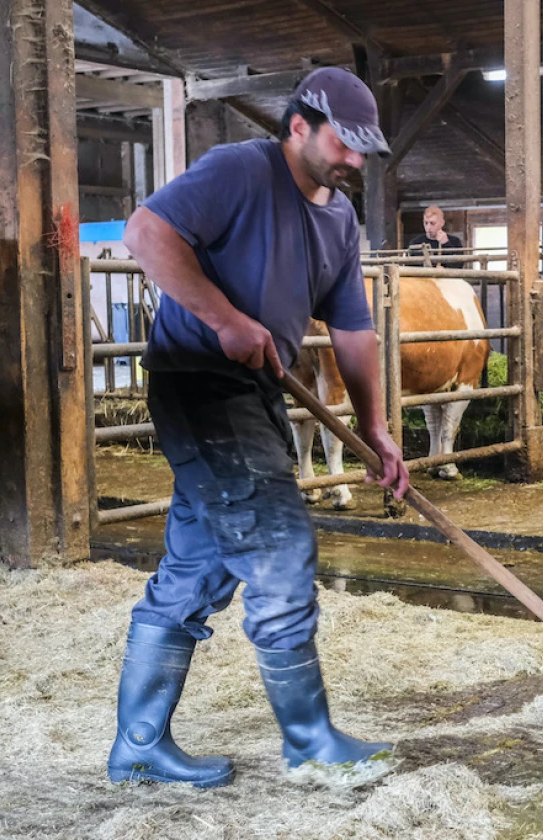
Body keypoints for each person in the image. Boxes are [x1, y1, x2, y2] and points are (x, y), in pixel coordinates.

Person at [108, 67, 410, 789]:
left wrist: (377, 429)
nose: (356, 162)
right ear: (299, 125)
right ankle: (309, 742)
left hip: (259, 395)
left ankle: (139, 745)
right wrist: (225, 319)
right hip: (201, 386)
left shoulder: (339, 217)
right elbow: (146, 233)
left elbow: (353, 328)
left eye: (366, 150)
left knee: (198, 566)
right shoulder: (239, 170)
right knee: (278, 544)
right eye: (346, 144)